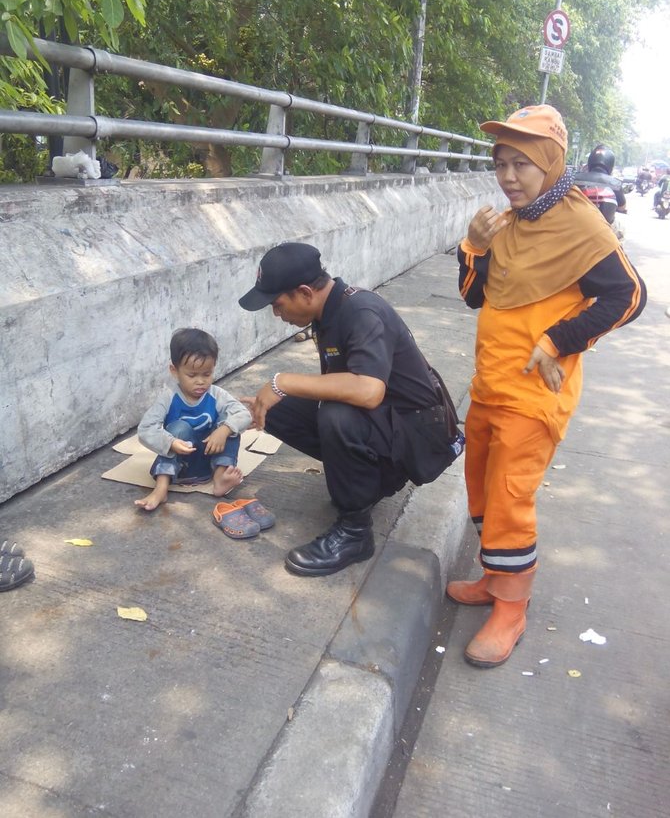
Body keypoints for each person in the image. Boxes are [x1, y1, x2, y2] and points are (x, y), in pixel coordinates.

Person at [450, 104, 646, 669]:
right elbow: (473, 297)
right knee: (483, 486)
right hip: (490, 383)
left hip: (534, 394)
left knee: (511, 496)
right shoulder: (509, 222)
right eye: (502, 162)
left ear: (551, 162)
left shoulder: (581, 223)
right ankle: (495, 579)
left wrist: (560, 339)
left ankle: (512, 609)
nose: (509, 176)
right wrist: (474, 246)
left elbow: (628, 297)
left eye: (523, 164)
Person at [238, 242, 462, 577]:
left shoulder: (360, 312)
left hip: (420, 436)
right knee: (280, 408)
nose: (276, 313)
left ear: (304, 292)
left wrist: (281, 380)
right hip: (392, 423)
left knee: (336, 416)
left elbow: (368, 391)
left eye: (277, 303)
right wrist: (274, 394)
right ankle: (367, 484)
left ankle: (355, 532)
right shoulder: (327, 313)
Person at [135, 327, 251, 511]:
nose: (200, 381)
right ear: (175, 371)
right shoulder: (168, 398)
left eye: (207, 374)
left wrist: (224, 430)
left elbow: (244, 414)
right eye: (192, 375)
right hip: (180, 465)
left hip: (210, 461)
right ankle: (161, 488)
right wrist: (170, 442)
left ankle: (220, 478)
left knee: (230, 424)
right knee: (179, 428)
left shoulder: (216, 394)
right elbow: (145, 429)